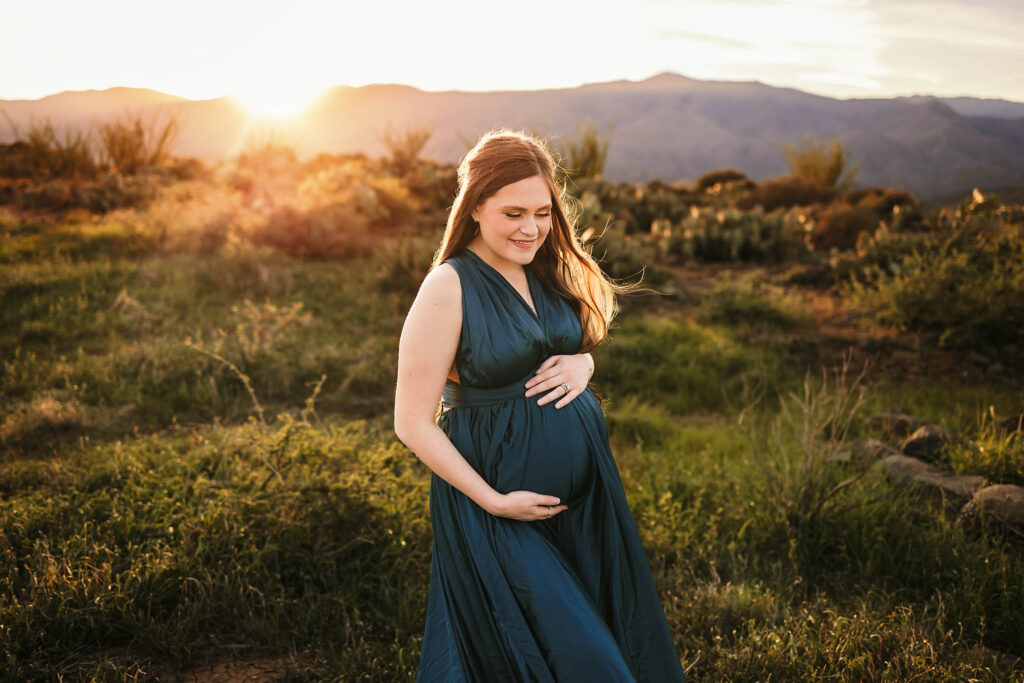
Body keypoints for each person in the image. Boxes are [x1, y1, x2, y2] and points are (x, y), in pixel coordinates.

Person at [394, 128, 687, 681]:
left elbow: (577, 340)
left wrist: (585, 364)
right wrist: (494, 502)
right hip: (498, 507)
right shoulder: (449, 286)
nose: (530, 228)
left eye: (542, 212)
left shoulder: (544, 267)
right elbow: (411, 422)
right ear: (475, 205)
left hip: (585, 502)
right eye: (512, 213)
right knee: (575, 662)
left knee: (601, 639)